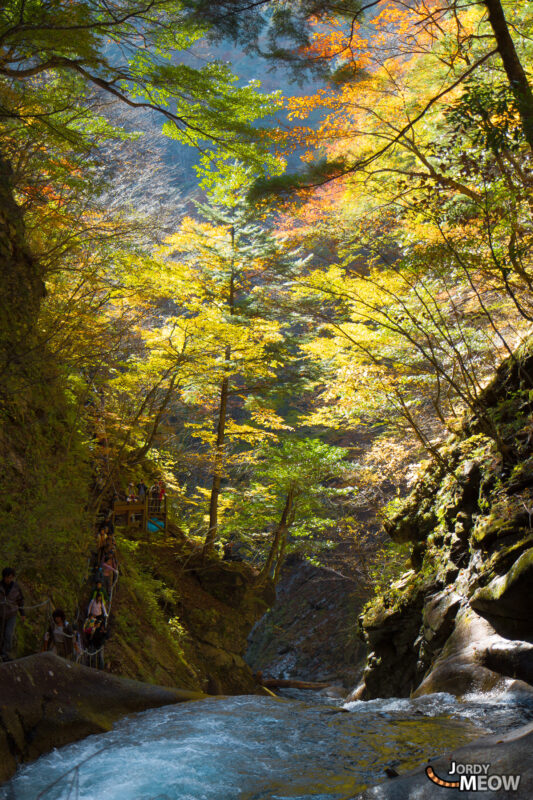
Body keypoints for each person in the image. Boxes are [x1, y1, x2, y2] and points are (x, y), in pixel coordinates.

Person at [0, 567, 25, 661]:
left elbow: (20, 600)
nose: (9, 579)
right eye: (7, 577)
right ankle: (1, 653)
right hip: (1, 614)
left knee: (8, 634)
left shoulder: (16, 587)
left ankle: (6, 654)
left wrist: (22, 613)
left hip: (11, 614)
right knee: (1, 634)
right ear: (4, 577)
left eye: (11, 577)